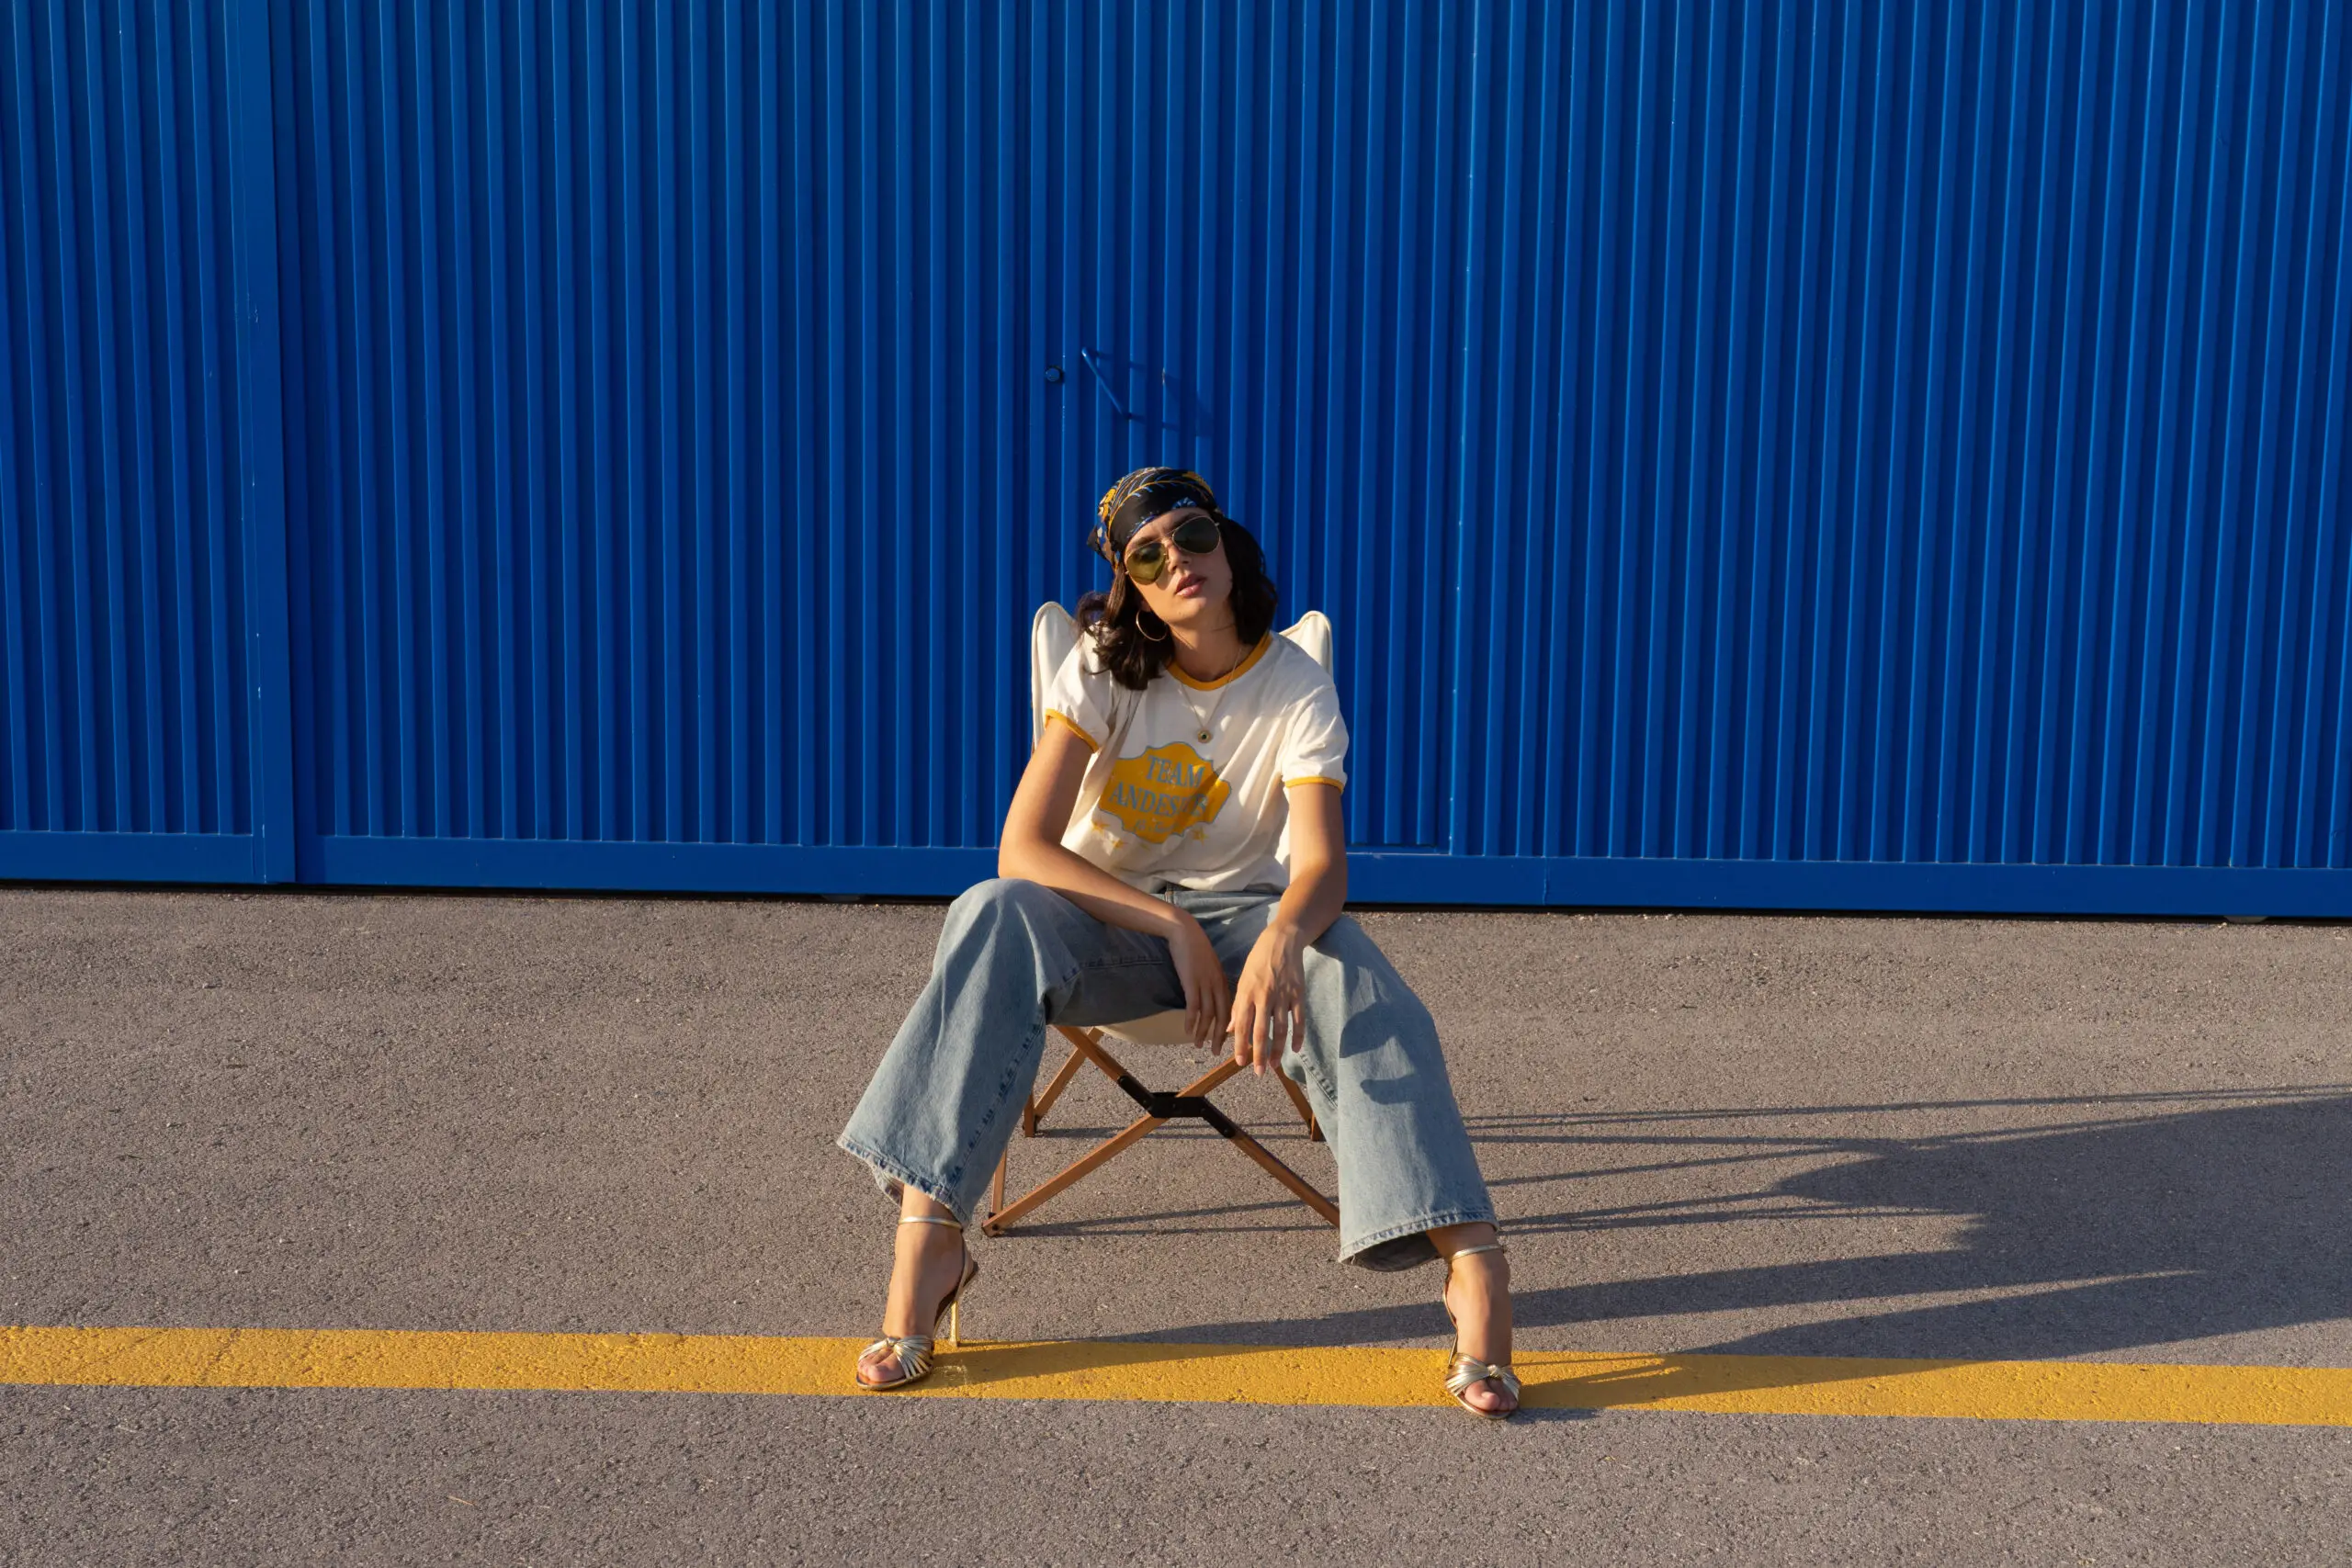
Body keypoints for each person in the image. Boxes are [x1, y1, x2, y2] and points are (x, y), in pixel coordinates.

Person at [837, 467, 1519, 1417]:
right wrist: (1168, 922)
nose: (1178, 561)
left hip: (1246, 928)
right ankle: (931, 1240)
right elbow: (1023, 848)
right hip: (1102, 929)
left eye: (1192, 535)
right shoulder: (1103, 667)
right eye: (1147, 556)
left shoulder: (1294, 683)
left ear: (1226, 544)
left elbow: (1322, 866)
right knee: (991, 909)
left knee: (1356, 974)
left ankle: (1472, 1263)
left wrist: (1280, 938)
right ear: (1133, 586)